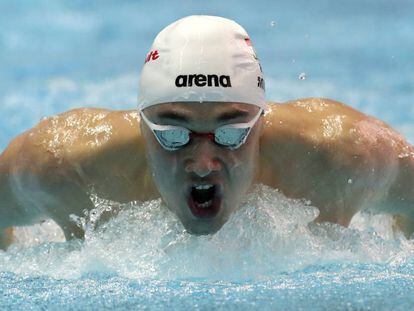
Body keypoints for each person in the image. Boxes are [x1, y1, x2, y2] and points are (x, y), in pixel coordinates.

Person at [0, 15, 413, 249]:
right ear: (141, 125)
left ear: (262, 123)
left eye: (231, 133)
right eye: (173, 134)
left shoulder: (341, 158)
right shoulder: (62, 167)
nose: (202, 163)